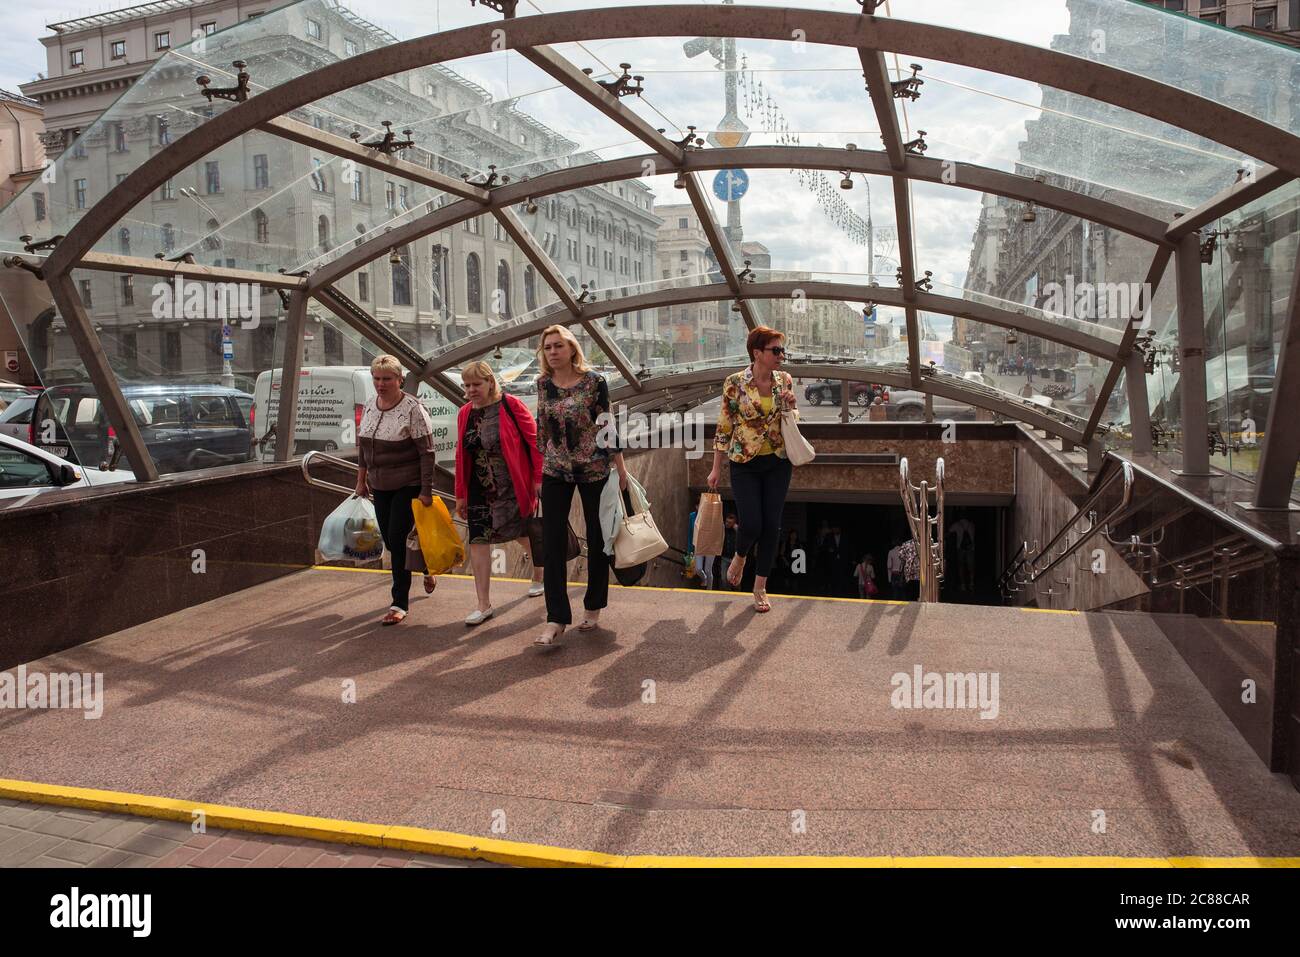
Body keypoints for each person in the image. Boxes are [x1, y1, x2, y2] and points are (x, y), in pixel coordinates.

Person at [533, 324, 628, 645]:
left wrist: (621, 470)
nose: (553, 352)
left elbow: (606, 424)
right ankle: (556, 617)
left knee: (599, 537)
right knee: (552, 540)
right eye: (548, 347)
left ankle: (594, 606)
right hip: (555, 469)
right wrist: (538, 473)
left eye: (559, 346)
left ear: (572, 348)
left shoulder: (594, 382)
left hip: (594, 469)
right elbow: (541, 429)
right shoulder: (543, 384)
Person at [707, 326, 798, 613]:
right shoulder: (734, 383)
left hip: (778, 462)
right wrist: (715, 469)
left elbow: (791, 419)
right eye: (775, 350)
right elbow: (724, 427)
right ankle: (740, 555)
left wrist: (793, 408)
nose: (781, 355)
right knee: (753, 523)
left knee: (772, 526)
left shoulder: (784, 380)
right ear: (757, 353)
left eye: (782, 350)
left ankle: (760, 587)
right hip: (744, 462)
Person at [454, 360, 544, 627]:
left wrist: (538, 479)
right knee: (478, 541)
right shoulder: (464, 413)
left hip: (511, 485)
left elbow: (534, 442)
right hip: (478, 489)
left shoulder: (510, 405)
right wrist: (460, 495)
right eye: (467, 385)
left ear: (490, 382)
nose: (471, 390)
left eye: (476, 384)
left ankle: (541, 571)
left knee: (521, 534)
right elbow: (461, 456)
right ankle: (483, 605)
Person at [355, 355, 436, 626]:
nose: (380, 384)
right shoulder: (369, 406)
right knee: (391, 541)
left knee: (397, 538)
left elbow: (427, 452)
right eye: (376, 378)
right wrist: (361, 480)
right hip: (379, 483)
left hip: (407, 483)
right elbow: (363, 449)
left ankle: (399, 602)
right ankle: (424, 565)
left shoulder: (413, 408)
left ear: (399, 379)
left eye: (387, 378)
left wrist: (426, 490)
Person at [719, 513, 739, 591]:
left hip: (735, 559)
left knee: (735, 579)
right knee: (724, 578)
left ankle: (737, 593)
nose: (727, 524)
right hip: (725, 557)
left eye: (730, 522)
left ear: (734, 523)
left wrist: (737, 530)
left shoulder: (737, 531)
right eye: (726, 521)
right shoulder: (723, 529)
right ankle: (727, 592)